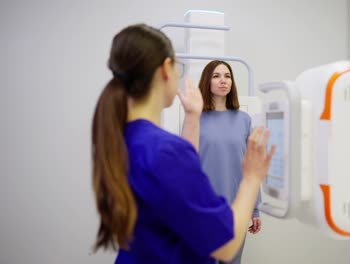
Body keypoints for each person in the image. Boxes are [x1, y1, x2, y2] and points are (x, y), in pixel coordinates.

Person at [91, 24, 275, 264]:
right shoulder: (164, 151)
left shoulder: (127, 138)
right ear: (166, 69)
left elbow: (180, 177)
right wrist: (252, 179)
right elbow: (225, 246)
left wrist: (192, 118)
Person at [197, 60, 262, 264]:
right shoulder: (195, 118)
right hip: (205, 208)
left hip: (237, 208)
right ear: (207, 81)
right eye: (216, 76)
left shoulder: (244, 120)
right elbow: (188, 167)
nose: (223, 81)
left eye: (227, 76)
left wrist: (255, 208)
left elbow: (251, 166)